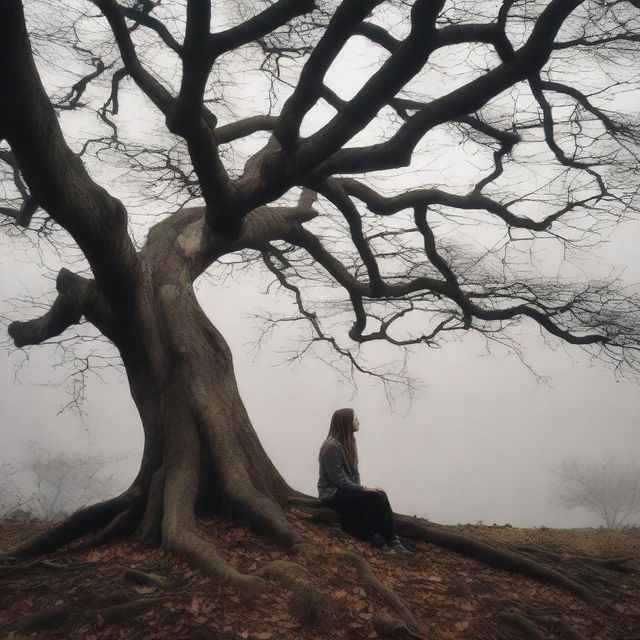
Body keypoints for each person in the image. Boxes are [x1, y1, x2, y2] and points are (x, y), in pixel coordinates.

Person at [318, 408, 414, 555]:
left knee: (380, 493)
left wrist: (359, 488)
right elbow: (338, 479)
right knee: (375, 497)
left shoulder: (350, 442)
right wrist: (362, 489)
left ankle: (391, 538)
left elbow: (355, 472)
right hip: (332, 493)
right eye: (355, 418)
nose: (358, 421)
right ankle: (388, 540)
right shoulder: (331, 447)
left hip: (346, 490)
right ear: (345, 423)